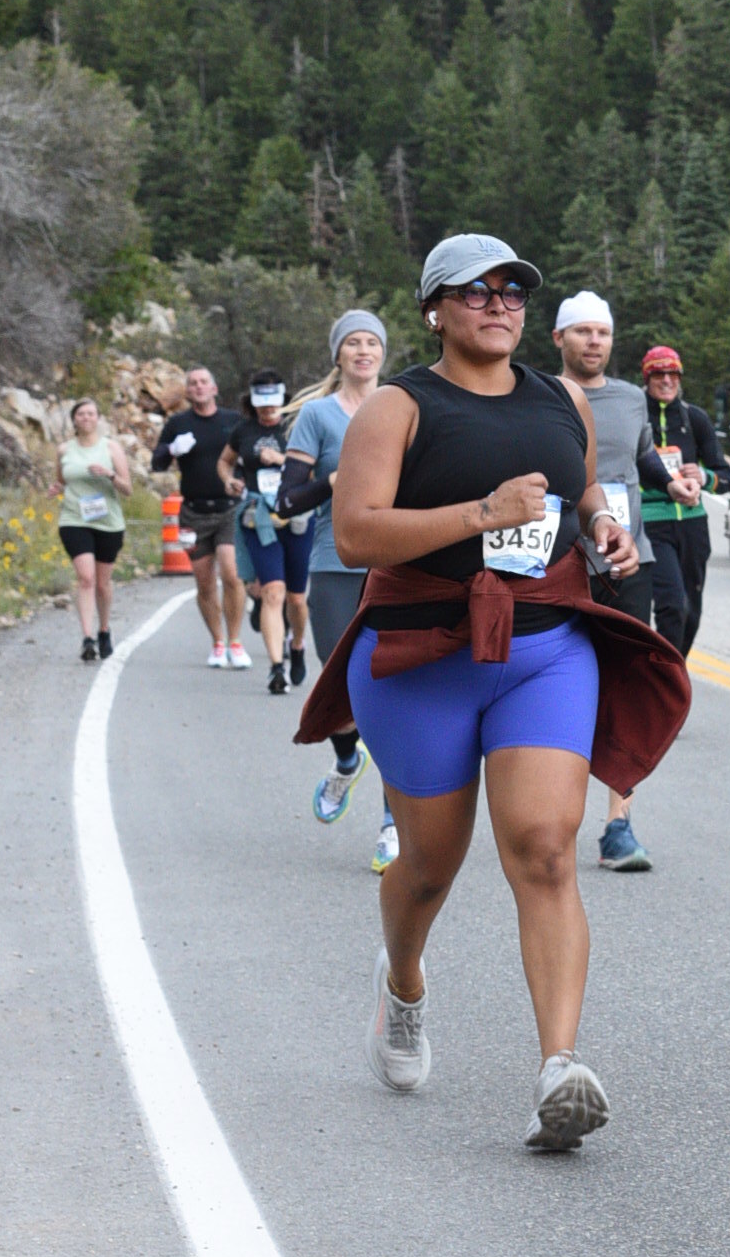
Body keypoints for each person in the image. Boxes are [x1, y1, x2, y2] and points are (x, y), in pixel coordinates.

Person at [294, 234, 690, 1151]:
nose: (500, 304)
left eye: (513, 291)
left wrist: (604, 526)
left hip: (544, 649)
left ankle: (559, 1068)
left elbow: (582, 492)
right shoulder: (397, 407)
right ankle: (403, 985)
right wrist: (481, 515)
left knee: (546, 850)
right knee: (430, 865)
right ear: (434, 309)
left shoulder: (560, 399)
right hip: (420, 656)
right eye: (476, 292)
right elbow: (355, 533)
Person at [553, 291, 696, 870]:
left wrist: (671, 483)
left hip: (629, 558)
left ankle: (619, 823)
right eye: (582, 331)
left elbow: (643, 459)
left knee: (626, 683)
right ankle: (553, 815)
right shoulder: (542, 395)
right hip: (564, 559)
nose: (594, 342)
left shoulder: (633, 398)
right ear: (559, 338)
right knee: (564, 686)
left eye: (603, 333)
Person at [279, 310, 398, 871]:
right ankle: (348, 759)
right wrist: (335, 479)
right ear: (338, 355)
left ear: (382, 353)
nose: (363, 350)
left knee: (394, 695)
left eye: (372, 342)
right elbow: (287, 500)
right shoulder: (318, 416)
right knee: (343, 683)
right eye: (353, 343)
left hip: (395, 563)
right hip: (334, 560)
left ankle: (393, 825)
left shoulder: (400, 405)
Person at [151, 366, 250, 665]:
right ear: (187, 391)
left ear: (214, 388)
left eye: (203, 382)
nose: (198, 387)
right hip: (194, 512)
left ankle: (235, 641)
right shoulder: (178, 423)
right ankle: (218, 642)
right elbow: (157, 463)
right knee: (204, 582)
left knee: (231, 574)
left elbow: (251, 455)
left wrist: (244, 479)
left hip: (229, 508)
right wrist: (172, 449)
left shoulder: (233, 421)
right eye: (192, 383)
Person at [639, 344, 726, 653]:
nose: (667, 381)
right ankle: (664, 675)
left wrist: (703, 477)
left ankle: (673, 670)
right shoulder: (636, 415)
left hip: (692, 524)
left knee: (690, 613)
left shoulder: (694, 418)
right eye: (659, 374)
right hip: (651, 523)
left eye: (673, 374)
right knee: (672, 606)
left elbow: (724, 476)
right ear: (647, 378)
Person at [234, 372, 313, 696]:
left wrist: (281, 460)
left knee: (296, 598)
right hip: (259, 517)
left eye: (273, 403)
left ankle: (297, 644)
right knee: (272, 592)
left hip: (296, 517)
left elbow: (316, 472)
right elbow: (225, 462)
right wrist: (230, 480)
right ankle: (276, 667)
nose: (268, 409)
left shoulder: (298, 426)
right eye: (262, 404)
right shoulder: (243, 431)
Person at [58, 396, 132, 661]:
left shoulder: (111, 448)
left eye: (91, 413)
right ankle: (87, 638)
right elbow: (62, 480)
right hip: (74, 519)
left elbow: (127, 489)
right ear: (74, 420)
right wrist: (56, 488)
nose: (86, 418)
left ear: (98, 419)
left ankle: (104, 629)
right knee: (86, 578)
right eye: (81, 414)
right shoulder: (64, 450)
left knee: (102, 583)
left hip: (107, 522)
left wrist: (109, 475)